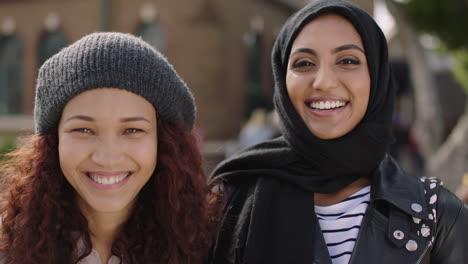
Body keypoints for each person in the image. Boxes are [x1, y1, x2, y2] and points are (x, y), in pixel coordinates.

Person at [208, 1, 468, 263]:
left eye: (347, 60)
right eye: (304, 63)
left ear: (376, 77)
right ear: (282, 78)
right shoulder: (229, 201)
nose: (323, 82)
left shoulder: (437, 217)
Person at [0, 32, 215, 264]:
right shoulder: (7, 246)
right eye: (83, 130)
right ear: (53, 142)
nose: (107, 158)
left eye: (132, 130)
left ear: (163, 142)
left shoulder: (214, 246)